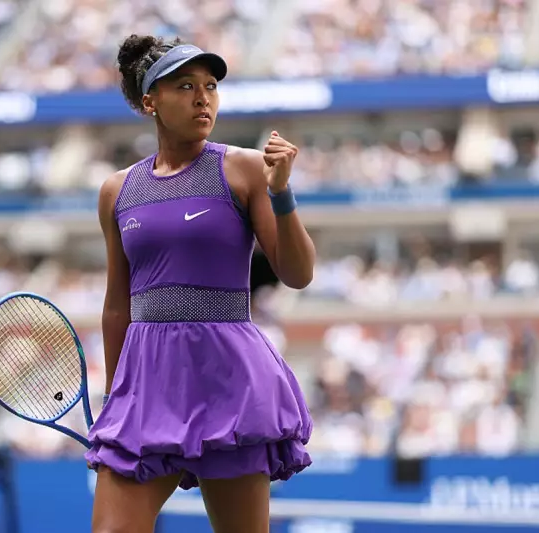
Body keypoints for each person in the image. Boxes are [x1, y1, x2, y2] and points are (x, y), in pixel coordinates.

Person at [85, 34, 316, 533]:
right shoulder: (116, 191)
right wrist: (114, 397)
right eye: (186, 85)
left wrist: (282, 194)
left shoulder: (247, 169)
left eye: (210, 86)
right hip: (146, 383)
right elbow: (116, 307)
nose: (202, 97)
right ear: (150, 102)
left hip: (228, 381)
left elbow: (298, 275)